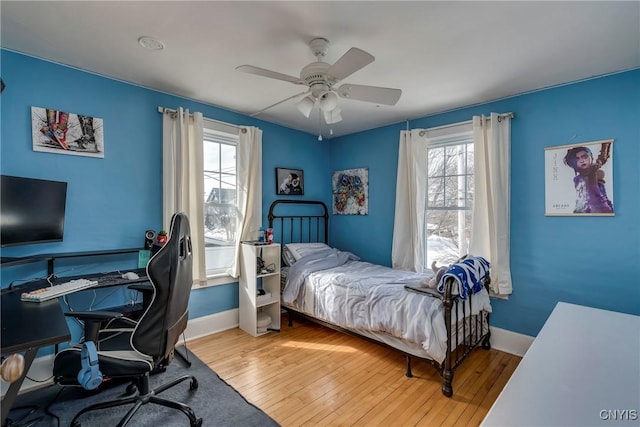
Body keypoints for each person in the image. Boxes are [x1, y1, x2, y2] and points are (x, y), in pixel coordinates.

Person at [563, 143, 613, 214]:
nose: (582, 161)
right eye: (577, 159)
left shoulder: (595, 172)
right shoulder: (577, 179)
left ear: (591, 158)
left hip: (602, 209)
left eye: (585, 157)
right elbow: (581, 199)